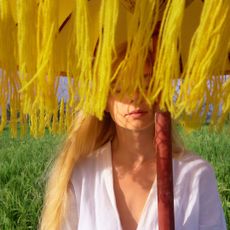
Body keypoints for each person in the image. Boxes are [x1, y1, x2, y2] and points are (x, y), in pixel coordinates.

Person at [39, 41, 227, 230]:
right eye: (120, 87)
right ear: (104, 100)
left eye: (147, 84)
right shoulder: (83, 175)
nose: (135, 96)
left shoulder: (196, 175)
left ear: (162, 93)